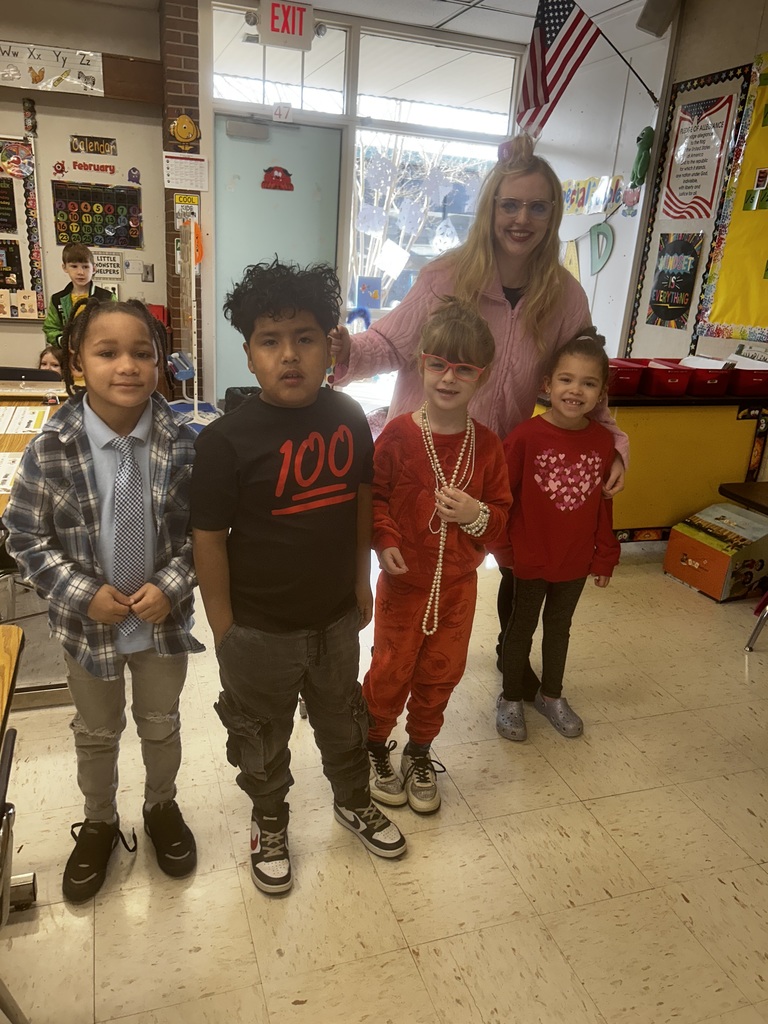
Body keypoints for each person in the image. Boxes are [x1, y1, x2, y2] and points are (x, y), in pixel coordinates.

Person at [329, 134, 629, 664]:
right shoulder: (445, 276)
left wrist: (615, 443)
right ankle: (378, 670)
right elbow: (391, 344)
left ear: (553, 214)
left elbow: (583, 376)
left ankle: (497, 665)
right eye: (509, 204)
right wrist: (342, 350)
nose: (522, 218)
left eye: (537, 206)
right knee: (406, 565)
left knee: (482, 568)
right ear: (490, 208)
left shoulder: (565, 296)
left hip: (491, 462)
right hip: (422, 452)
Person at [190, 259, 407, 897]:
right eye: (270, 341)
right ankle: (271, 819)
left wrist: (361, 581)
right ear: (251, 354)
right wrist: (224, 626)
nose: (290, 355)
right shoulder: (224, 442)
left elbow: (363, 501)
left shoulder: (347, 416)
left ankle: (352, 799)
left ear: (329, 345)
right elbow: (209, 539)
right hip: (257, 630)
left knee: (344, 719)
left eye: (305, 338)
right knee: (260, 734)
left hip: (336, 618)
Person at [4, 298, 202, 902]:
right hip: (87, 629)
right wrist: (82, 594)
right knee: (96, 730)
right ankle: (99, 819)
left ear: (161, 363)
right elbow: (23, 534)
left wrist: (171, 586)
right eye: (107, 352)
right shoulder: (53, 447)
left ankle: (161, 805)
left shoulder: (185, 444)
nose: (127, 366)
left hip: (160, 626)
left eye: (143, 353)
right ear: (77, 362)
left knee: (160, 723)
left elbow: (209, 531)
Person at [364, 298, 512, 814]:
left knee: (441, 672)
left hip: (458, 588)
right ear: (421, 364)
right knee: (390, 669)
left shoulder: (488, 446)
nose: (449, 378)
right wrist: (384, 540)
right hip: (404, 584)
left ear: (482, 377)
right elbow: (375, 497)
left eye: (464, 369)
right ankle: (374, 746)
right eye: (438, 365)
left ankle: (420, 751)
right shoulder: (400, 435)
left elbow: (501, 516)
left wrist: (474, 512)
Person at [493, 331, 620, 743]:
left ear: (601, 393)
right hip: (529, 560)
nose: (575, 390)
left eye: (588, 383)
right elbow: (501, 497)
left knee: (559, 629)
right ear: (547, 384)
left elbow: (603, 505)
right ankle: (511, 697)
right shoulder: (524, 437)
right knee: (520, 629)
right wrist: (503, 551)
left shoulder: (603, 444)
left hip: (575, 562)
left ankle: (551, 696)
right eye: (566, 379)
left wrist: (605, 557)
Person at [42, 242, 115, 350]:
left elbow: (117, 326)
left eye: (85, 267)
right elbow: (51, 328)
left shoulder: (107, 297)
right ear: (65, 267)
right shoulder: (57, 300)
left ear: (94, 269)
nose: (80, 272)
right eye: (74, 266)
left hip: (100, 352)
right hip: (70, 355)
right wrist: (64, 341)